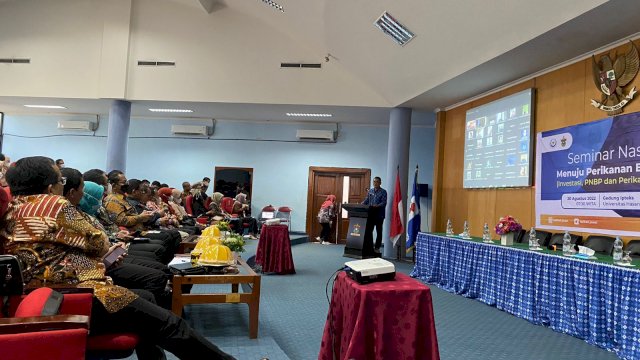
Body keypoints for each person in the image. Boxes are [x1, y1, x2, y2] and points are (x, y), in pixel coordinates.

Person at [2, 156, 235, 359]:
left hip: (45, 292)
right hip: (79, 294)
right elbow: (99, 242)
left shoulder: (14, 208)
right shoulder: (53, 205)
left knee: (148, 300)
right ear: (50, 184)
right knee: (169, 323)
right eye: (60, 181)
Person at [362, 176, 387, 253]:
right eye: (374, 182)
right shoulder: (370, 191)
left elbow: (384, 202)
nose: (375, 183)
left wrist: (376, 206)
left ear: (380, 183)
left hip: (379, 215)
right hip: (370, 214)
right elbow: (367, 200)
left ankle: (377, 247)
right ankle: (370, 246)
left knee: (379, 231)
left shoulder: (383, 192)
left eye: (376, 182)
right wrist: (361, 204)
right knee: (369, 231)